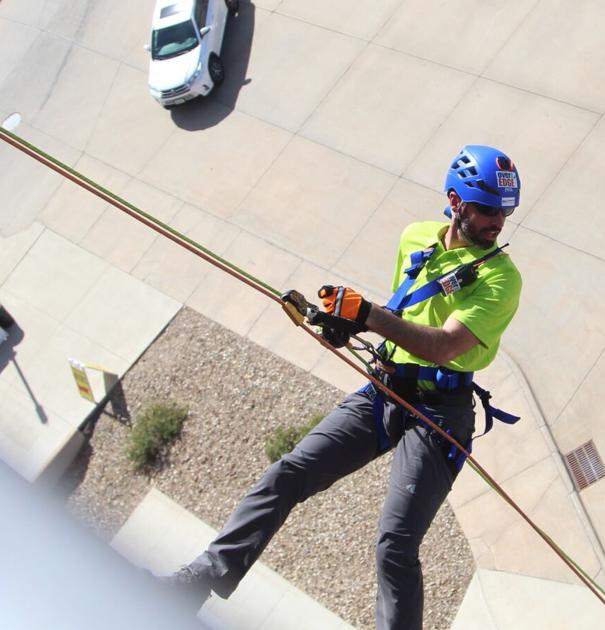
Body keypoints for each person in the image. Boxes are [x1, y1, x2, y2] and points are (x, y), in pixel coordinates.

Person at [160, 145, 524, 630]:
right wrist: (350, 324)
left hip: (440, 413)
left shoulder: (502, 277)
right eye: (487, 210)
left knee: (396, 542)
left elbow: (442, 346)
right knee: (288, 473)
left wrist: (366, 314)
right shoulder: (415, 237)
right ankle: (199, 578)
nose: (498, 222)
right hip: (386, 389)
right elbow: (407, 316)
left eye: (505, 212)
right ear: (455, 202)